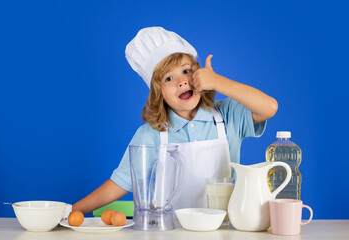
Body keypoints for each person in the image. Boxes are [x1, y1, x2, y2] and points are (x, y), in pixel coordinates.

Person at [72, 26, 278, 214]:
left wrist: (218, 82)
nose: (181, 82)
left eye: (186, 71)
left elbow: (269, 107)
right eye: (168, 78)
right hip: (170, 232)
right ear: (158, 93)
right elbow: (121, 183)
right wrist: (74, 210)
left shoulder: (227, 117)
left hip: (222, 230)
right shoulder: (151, 134)